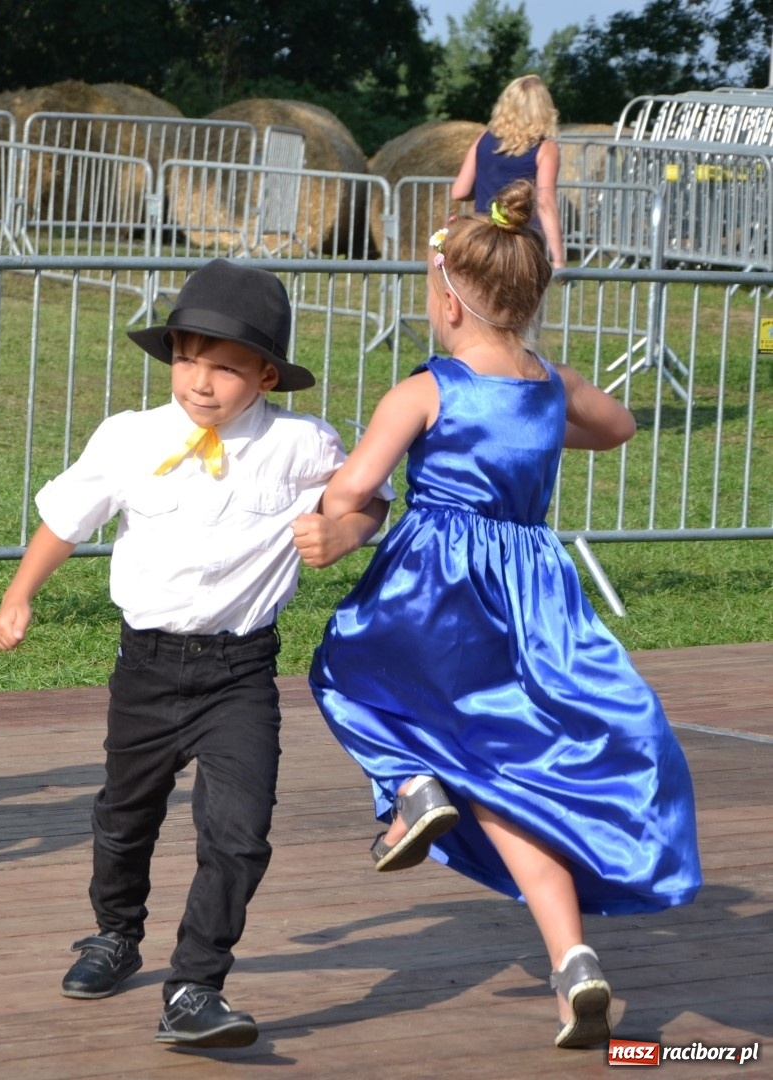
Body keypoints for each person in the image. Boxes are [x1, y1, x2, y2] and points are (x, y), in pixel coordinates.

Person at [306, 180, 701, 1050]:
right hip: (529, 590)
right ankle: (573, 966)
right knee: (510, 773)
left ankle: (412, 790)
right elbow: (621, 426)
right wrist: (546, 415)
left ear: (446, 297)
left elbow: (356, 487)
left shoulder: (428, 388)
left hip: (438, 583)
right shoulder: (551, 385)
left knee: (346, 670)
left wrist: (334, 519)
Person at [0, 259, 389, 1049]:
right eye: (186, 357)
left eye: (226, 365)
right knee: (126, 813)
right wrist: (17, 595)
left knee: (238, 832)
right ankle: (114, 933)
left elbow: (366, 495)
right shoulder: (131, 436)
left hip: (240, 673)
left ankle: (196, 986)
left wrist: (347, 531)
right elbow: (68, 518)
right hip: (148, 666)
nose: (200, 381)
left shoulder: (301, 444)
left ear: (267, 374)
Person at [452, 74, 566, 268]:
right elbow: (545, 202)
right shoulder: (546, 148)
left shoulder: (483, 139)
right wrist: (559, 259)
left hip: (484, 236)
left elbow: (459, 191)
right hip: (521, 240)